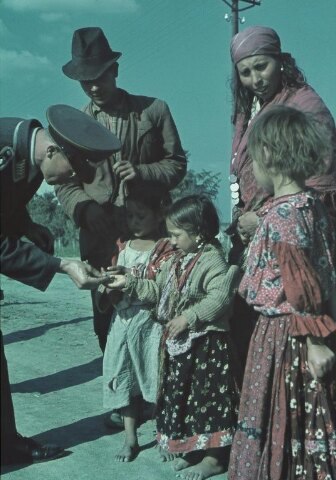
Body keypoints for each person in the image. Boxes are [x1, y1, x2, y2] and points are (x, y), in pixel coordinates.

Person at [0, 104, 120, 466]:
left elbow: (7, 205)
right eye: (71, 172)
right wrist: (62, 264)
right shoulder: (5, 154)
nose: (68, 181)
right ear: (53, 150)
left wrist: (27, 226)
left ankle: (6, 445)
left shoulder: (33, 155)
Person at [56, 26, 187, 355]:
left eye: (100, 76)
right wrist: (85, 208)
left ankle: (156, 401)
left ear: (114, 70)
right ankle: (121, 400)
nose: (94, 87)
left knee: (157, 313)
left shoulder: (154, 110)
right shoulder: (73, 127)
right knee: (106, 324)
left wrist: (142, 172)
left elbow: (176, 164)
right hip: (100, 241)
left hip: (150, 238)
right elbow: (64, 182)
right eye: (86, 81)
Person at [228, 106, 336, 480]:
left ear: (269, 156)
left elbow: (302, 286)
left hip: (287, 338)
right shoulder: (310, 206)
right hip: (298, 333)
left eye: (254, 158)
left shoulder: (285, 215)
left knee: (283, 415)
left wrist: (315, 342)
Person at [107, 195, 241, 479]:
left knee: (208, 401)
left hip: (207, 347)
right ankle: (194, 450)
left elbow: (220, 297)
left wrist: (188, 317)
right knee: (189, 400)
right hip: (184, 348)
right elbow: (156, 290)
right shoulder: (177, 261)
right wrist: (128, 283)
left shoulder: (211, 259)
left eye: (177, 234)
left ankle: (214, 458)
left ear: (199, 232)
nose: (172, 240)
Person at [227, 24, 336, 367]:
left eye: (262, 66)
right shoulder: (251, 108)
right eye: (245, 72)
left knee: (293, 329)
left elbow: (320, 179)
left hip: (293, 234)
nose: (255, 78)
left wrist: (262, 217)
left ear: (280, 60)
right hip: (255, 228)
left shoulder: (304, 104)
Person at [95, 182, 174, 462]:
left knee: (156, 376)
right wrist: (105, 283)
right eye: (130, 216)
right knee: (124, 375)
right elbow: (111, 287)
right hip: (122, 322)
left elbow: (164, 286)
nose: (135, 222)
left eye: (141, 216)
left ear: (159, 215)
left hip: (150, 324)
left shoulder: (165, 248)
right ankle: (130, 437)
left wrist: (130, 275)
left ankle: (164, 434)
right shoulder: (123, 246)